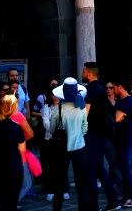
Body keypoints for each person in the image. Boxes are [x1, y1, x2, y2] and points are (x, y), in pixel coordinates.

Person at [82, 62, 121, 211]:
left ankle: (93, 206)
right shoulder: (100, 88)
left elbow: (85, 113)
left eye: (83, 71)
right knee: (99, 168)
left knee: (90, 170)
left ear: (89, 73)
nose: (82, 74)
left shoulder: (91, 90)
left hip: (92, 134)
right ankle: (113, 200)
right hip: (101, 134)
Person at [50, 77, 90, 211]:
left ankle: (57, 208)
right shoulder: (81, 108)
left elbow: (52, 129)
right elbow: (85, 128)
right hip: (79, 147)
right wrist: (77, 134)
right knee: (81, 183)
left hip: (62, 148)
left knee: (59, 183)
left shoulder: (58, 109)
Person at [112, 79, 132, 208]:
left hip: (126, 140)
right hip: (120, 140)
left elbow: (116, 118)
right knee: (122, 168)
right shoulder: (121, 101)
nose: (112, 90)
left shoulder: (127, 101)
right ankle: (127, 194)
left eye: (113, 87)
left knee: (126, 168)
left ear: (120, 87)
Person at [41, 84, 68, 202]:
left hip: (62, 140)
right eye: (53, 94)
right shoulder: (47, 107)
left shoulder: (64, 107)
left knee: (63, 165)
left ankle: (64, 189)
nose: (55, 96)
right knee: (52, 166)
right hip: (50, 139)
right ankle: (51, 190)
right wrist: (56, 127)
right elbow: (45, 122)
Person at [104, 81, 123, 195]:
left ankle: (113, 181)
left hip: (118, 135)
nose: (109, 89)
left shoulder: (119, 102)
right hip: (107, 135)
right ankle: (119, 184)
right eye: (107, 88)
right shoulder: (103, 102)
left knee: (117, 160)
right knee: (112, 161)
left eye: (111, 87)